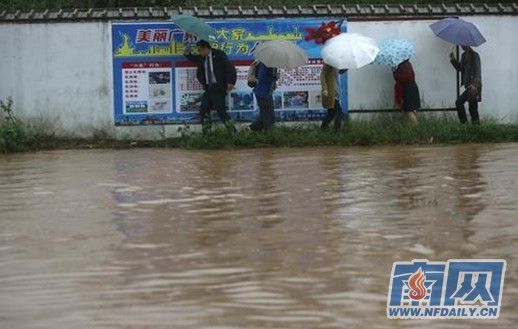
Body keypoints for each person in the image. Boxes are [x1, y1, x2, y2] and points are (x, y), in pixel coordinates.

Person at [184, 40, 237, 133]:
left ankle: (233, 132)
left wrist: (231, 82)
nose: (199, 52)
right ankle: (207, 134)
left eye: (200, 50)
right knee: (204, 111)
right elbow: (192, 58)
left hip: (218, 87)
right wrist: (187, 52)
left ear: (206, 48)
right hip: (208, 88)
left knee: (221, 112)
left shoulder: (219, 54)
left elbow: (230, 68)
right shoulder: (202, 57)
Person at [450, 46, 482, 124]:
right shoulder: (464, 55)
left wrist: (474, 85)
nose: (461, 46)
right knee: (472, 109)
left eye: (463, 44)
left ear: (467, 44)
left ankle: (466, 124)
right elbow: (460, 68)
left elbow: (477, 71)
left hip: (474, 86)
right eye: (461, 44)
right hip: (468, 86)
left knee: (461, 103)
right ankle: (472, 127)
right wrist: (453, 59)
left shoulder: (475, 55)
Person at [248, 61, 278, 132]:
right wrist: (273, 77)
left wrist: (274, 78)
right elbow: (261, 77)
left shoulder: (272, 64)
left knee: (268, 116)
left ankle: (251, 129)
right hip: (262, 93)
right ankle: (268, 133)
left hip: (266, 92)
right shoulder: (265, 63)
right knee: (268, 117)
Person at [320, 63, 346, 132]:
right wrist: (324, 88)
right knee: (339, 113)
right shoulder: (329, 63)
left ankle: (322, 129)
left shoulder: (335, 65)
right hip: (331, 93)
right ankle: (337, 132)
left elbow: (339, 72)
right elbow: (322, 75)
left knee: (331, 114)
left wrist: (347, 67)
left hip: (336, 92)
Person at [393, 59, 420, 124]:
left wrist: (394, 72)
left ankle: (417, 128)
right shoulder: (407, 64)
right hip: (412, 88)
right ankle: (407, 128)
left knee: (408, 110)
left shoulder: (402, 65)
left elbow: (401, 78)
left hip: (407, 89)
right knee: (409, 110)